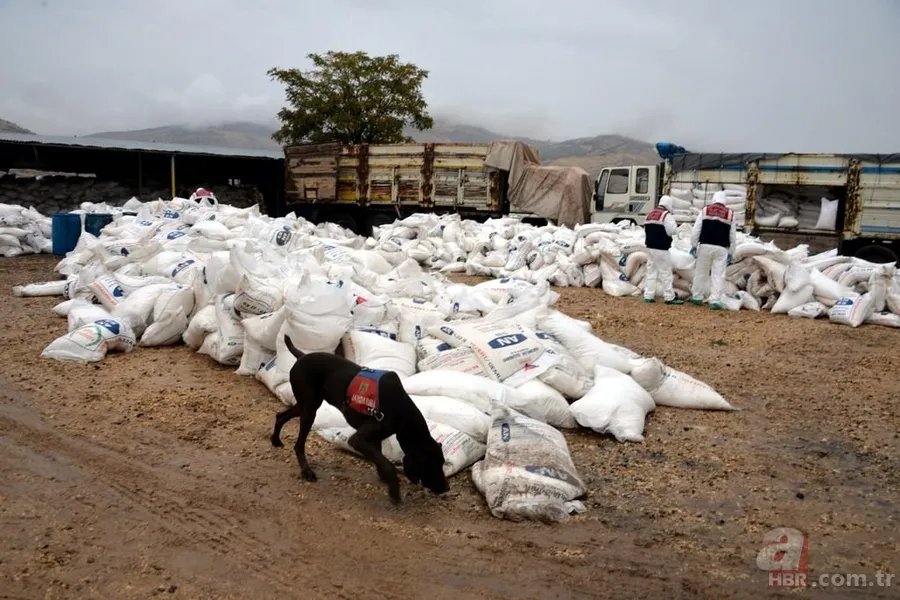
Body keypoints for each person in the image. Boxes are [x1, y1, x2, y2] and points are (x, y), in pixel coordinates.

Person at [689, 191, 737, 310]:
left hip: (705, 246)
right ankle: (715, 300)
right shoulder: (730, 214)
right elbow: (733, 235)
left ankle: (697, 297)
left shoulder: (705, 210)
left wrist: (694, 245)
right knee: (718, 274)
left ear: (714, 199)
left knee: (701, 272)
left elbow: (697, 229)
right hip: (721, 248)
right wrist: (731, 251)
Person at [642, 195, 683, 304]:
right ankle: (669, 297)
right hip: (661, 248)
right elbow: (671, 231)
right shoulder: (666, 215)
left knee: (651, 272)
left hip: (650, 248)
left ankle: (648, 295)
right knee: (666, 273)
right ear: (669, 204)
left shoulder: (650, 215)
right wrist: (677, 228)